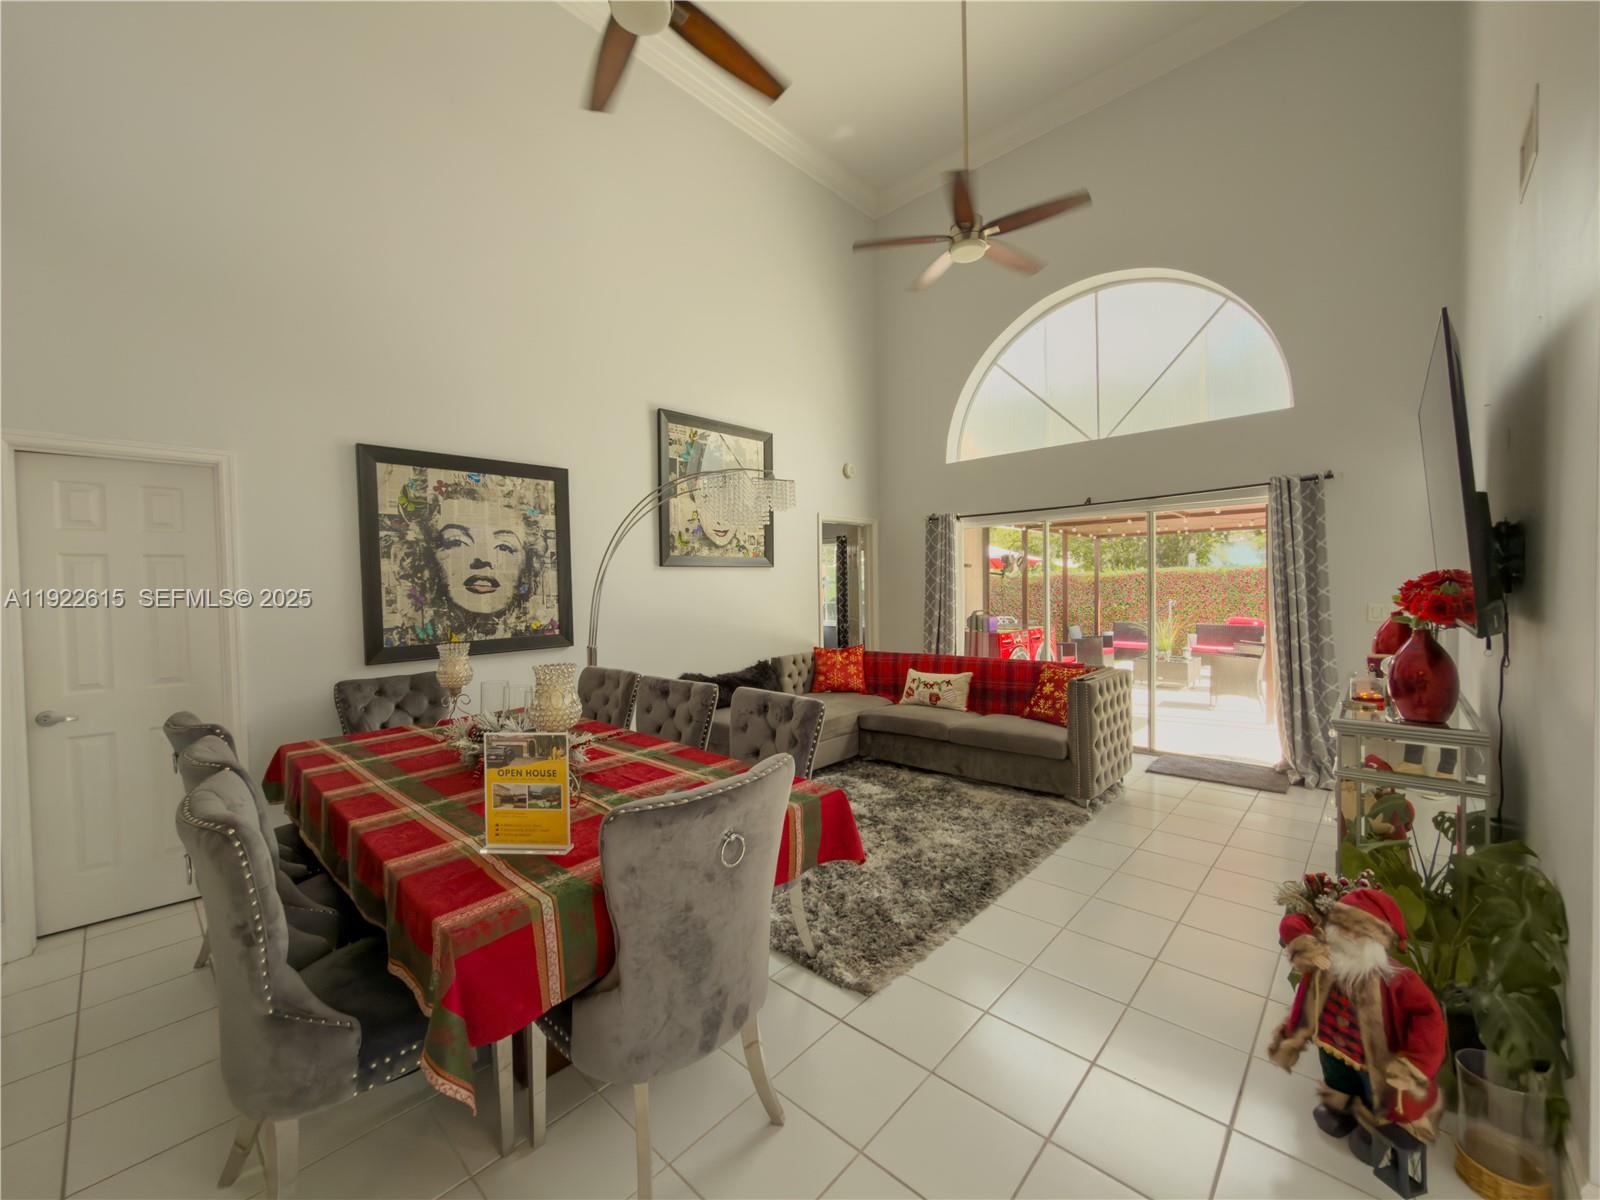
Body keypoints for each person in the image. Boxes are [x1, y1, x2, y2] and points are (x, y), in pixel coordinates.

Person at [1269, 886, 1447, 1163]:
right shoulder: (1326, 958)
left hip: (1373, 1056)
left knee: (1375, 1091)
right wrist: (1307, 945)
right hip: (1331, 1040)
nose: (1349, 937)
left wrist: (1416, 1063)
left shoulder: (1398, 981)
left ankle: (1375, 1125)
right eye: (1343, 928)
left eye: (1360, 933)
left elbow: (1429, 1020)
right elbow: (1292, 923)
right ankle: (1340, 1107)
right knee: (1337, 1075)